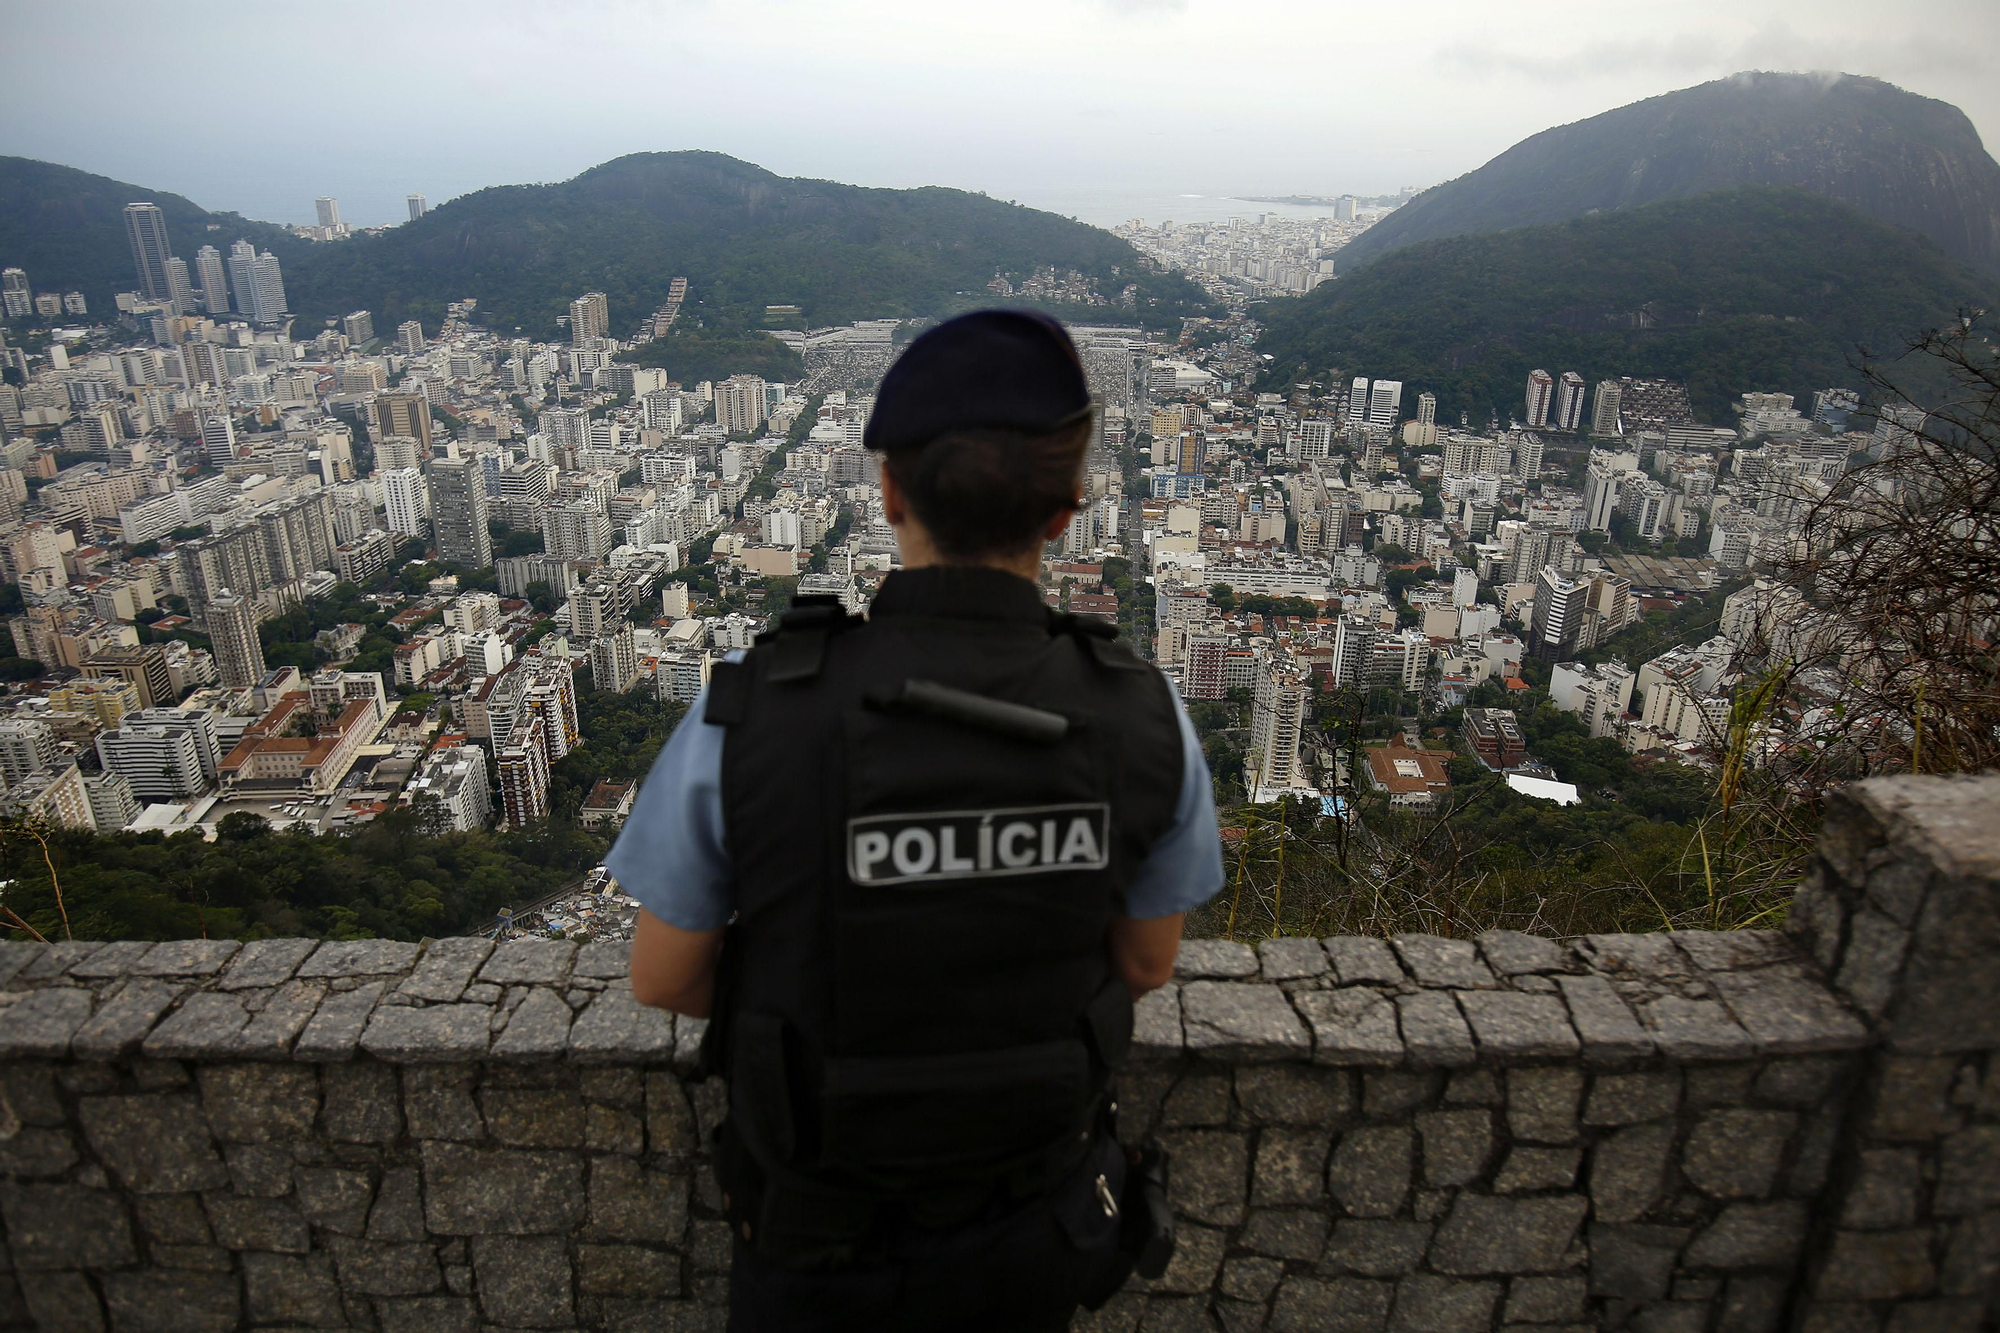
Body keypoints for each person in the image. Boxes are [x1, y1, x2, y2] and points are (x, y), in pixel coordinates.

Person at [609, 309, 1224, 1332]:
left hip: (814, 1240)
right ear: (1068, 506)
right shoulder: (1139, 713)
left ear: (887, 489)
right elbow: (1147, 965)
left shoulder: (753, 708)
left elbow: (664, 977)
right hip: (1027, 1228)